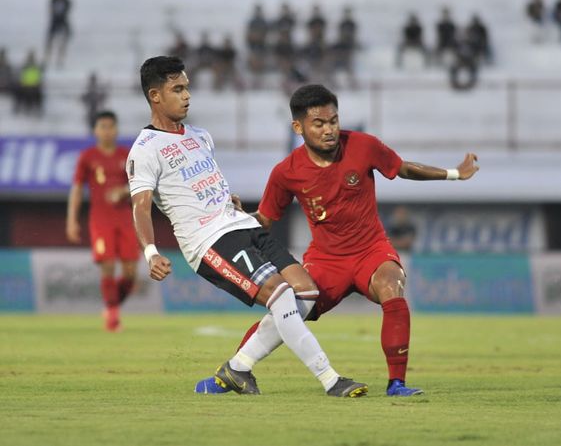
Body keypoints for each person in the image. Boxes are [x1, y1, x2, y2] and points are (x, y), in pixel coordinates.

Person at [201, 84, 479, 397]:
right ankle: (235, 370)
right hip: (325, 261)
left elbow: (402, 168)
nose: (329, 129)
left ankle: (396, 383)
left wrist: (454, 173)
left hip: (371, 250)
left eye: (333, 121)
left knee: (392, 286)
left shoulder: (362, 145)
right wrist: (236, 218)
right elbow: (265, 219)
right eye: (319, 124)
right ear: (299, 127)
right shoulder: (286, 172)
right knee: (289, 310)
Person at [128, 56, 366, 397]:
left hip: (240, 224)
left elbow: (199, 182)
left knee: (307, 294)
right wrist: (151, 252)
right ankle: (331, 379)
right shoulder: (145, 149)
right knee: (281, 295)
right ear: (154, 95)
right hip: (209, 240)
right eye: (177, 89)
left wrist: (228, 201)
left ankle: (237, 368)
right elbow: (140, 205)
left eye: (187, 88)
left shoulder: (200, 136)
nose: (187, 96)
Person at [67, 111, 139, 332]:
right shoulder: (87, 157)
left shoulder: (128, 155)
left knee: (130, 273)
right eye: (102, 126)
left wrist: (123, 191)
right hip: (100, 220)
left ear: (116, 129)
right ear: (96, 130)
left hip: (126, 219)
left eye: (110, 126)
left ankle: (111, 306)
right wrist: (71, 220)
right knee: (107, 265)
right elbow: (77, 189)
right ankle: (113, 317)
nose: (107, 130)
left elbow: (141, 185)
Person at [44, 0, 72, 67]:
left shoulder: (67, 0)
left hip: (62, 21)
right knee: (50, 41)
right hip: (54, 21)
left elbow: (67, 11)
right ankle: (47, 59)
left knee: (62, 42)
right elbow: (50, 9)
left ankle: (60, 60)